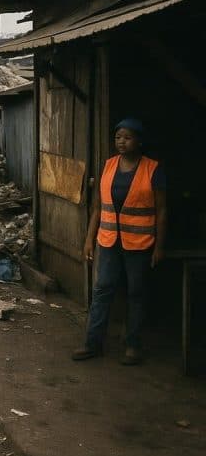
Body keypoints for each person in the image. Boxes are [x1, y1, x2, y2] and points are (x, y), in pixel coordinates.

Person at [73, 119, 167, 365]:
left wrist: (159, 246)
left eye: (127, 137)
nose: (122, 142)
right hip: (108, 241)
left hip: (140, 243)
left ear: (139, 141)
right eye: (118, 137)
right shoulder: (109, 166)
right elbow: (97, 207)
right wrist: (89, 240)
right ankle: (92, 344)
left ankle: (133, 345)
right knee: (102, 289)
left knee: (136, 293)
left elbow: (162, 210)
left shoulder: (153, 169)